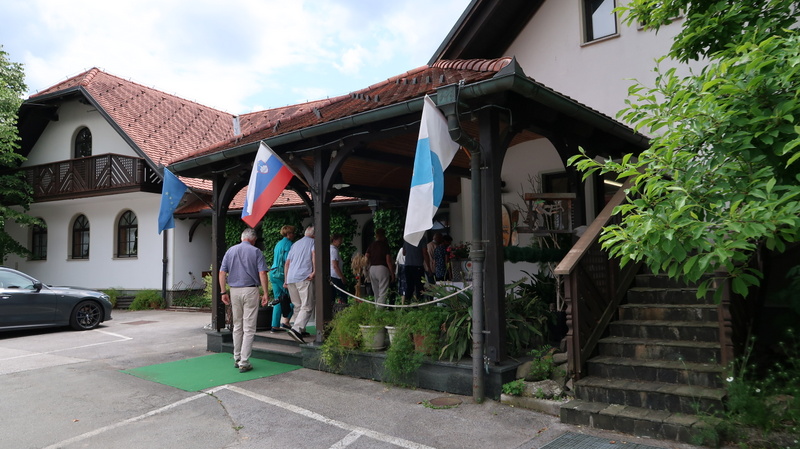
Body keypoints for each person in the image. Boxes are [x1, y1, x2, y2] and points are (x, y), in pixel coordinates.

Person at [219, 228, 269, 373]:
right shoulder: (256, 251)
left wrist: (223, 292)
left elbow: (222, 273)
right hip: (250, 290)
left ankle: (237, 357)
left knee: (237, 325)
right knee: (249, 327)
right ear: (253, 239)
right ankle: (244, 361)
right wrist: (265, 293)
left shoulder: (230, 251)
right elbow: (262, 273)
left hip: (234, 290)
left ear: (242, 238)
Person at [284, 225, 316, 344]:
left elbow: (287, 263)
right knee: (307, 305)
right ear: (314, 235)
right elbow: (314, 255)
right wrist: (314, 271)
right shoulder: (313, 242)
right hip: (304, 276)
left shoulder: (295, 244)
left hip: (291, 278)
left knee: (297, 305)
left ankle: (300, 330)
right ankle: (297, 329)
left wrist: (286, 280)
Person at [269, 225, 295, 332]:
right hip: (281, 274)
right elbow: (287, 262)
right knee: (293, 298)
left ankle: (274, 326)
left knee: (278, 299)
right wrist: (287, 279)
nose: (294, 235)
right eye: (292, 233)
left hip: (273, 272)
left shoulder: (278, 244)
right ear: (288, 234)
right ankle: (286, 321)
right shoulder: (289, 244)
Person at [364, 228, 394, 307]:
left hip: (372, 269)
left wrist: (366, 268)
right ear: (384, 235)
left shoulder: (371, 245)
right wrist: (392, 273)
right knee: (383, 291)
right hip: (382, 268)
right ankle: (379, 310)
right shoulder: (385, 245)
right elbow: (388, 260)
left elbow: (366, 256)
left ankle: (377, 306)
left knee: (376, 291)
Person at [402, 236, 428, 303]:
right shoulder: (422, 238)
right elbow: (425, 252)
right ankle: (419, 303)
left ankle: (407, 303)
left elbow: (403, 253)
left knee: (409, 286)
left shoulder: (407, 237)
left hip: (408, 265)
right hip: (418, 265)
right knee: (419, 286)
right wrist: (428, 266)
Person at [329, 233, 348, 305]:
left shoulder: (330, 248)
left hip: (332, 275)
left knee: (332, 295)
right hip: (336, 276)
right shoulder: (334, 250)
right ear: (334, 240)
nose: (341, 242)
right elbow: (335, 265)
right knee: (342, 295)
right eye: (339, 240)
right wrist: (342, 277)